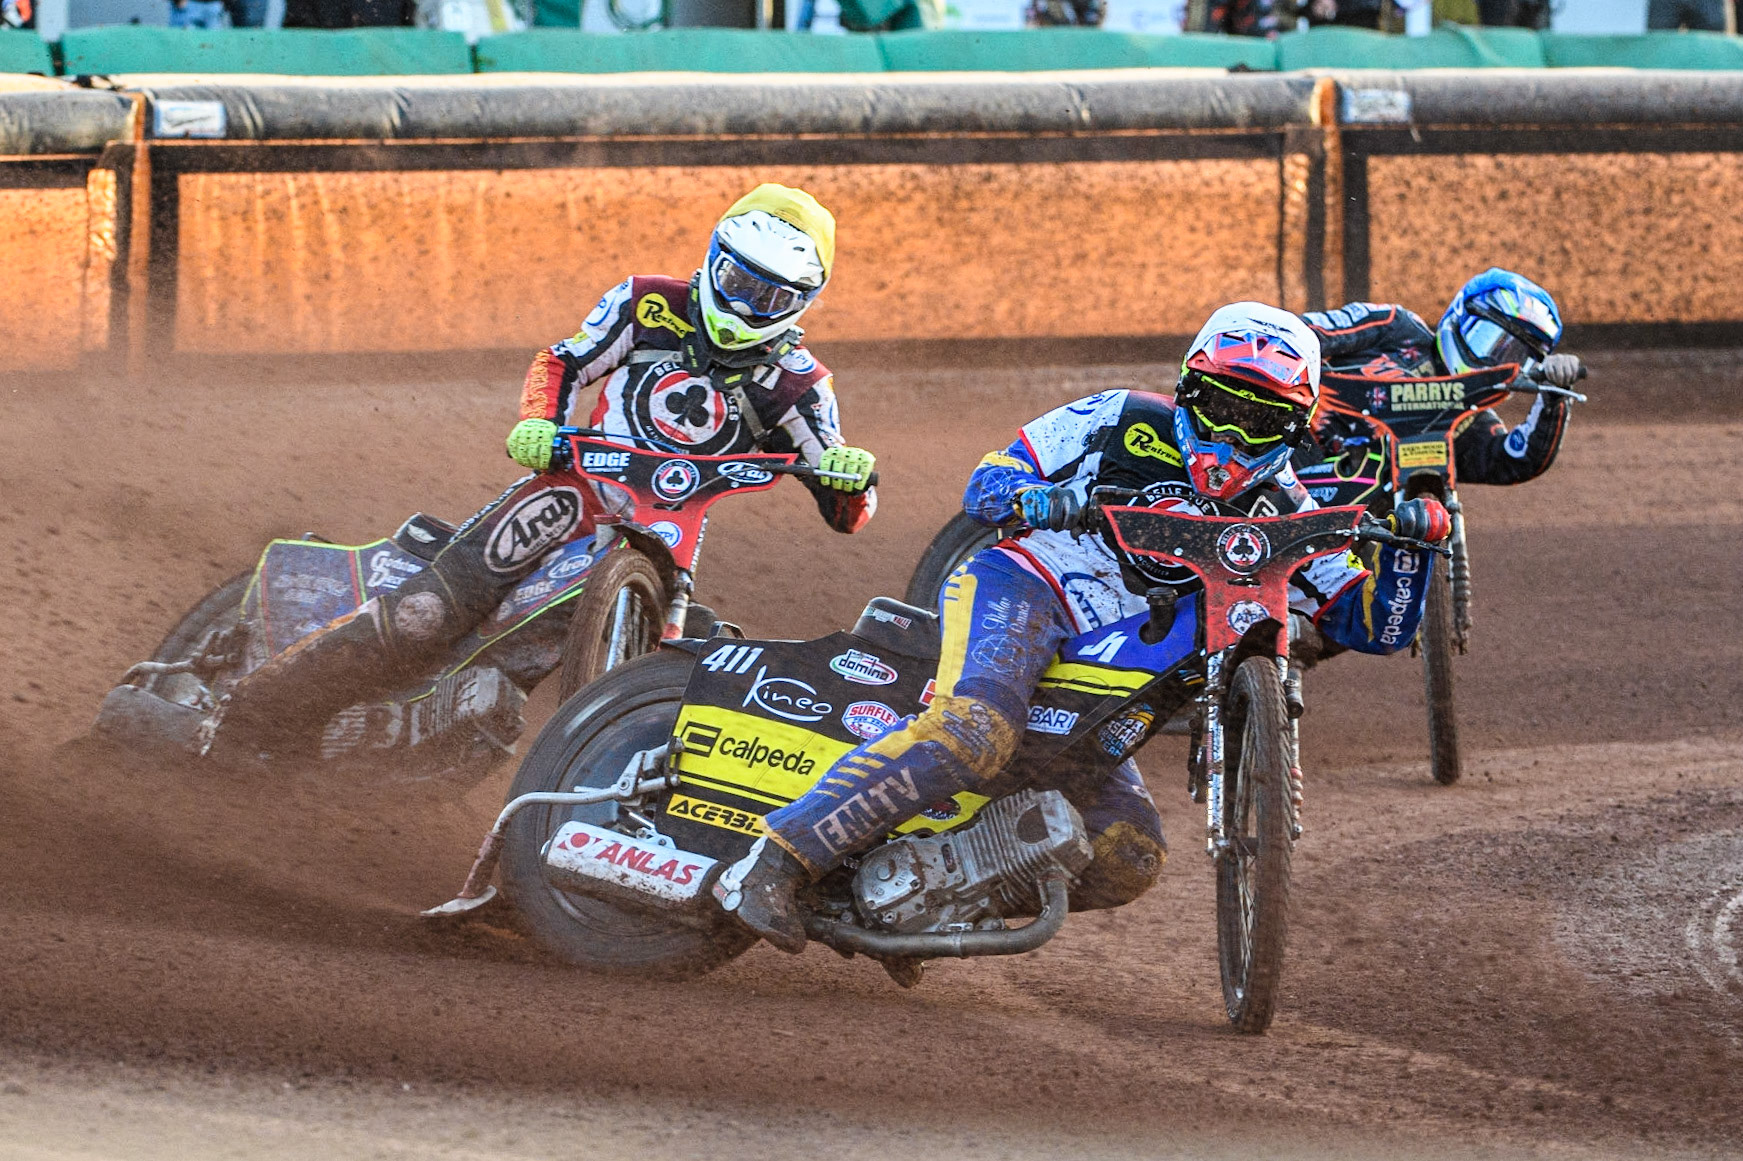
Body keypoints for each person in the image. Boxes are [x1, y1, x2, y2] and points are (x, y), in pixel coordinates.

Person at [716, 303, 1451, 954]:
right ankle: (774, 861)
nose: (1230, 433)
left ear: (1293, 428)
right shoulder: (1120, 417)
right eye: (1219, 406)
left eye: (1257, 419)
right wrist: (1046, 499)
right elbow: (988, 482)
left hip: (1118, 670)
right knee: (974, 730)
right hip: (1030, 588)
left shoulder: (1290, 505)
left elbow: (1368, 623)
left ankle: (930, 901)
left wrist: (1416, 549)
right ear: (1186, 388)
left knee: (1127, 855)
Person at [204, 183, 877, 761]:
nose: (743, 303)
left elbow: (843, 497)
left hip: (667, 540)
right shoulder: (648, 304)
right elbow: (564, 361)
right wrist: (539, 421)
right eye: (735, 281)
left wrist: (850, 479)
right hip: (570, 491)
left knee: (690, 669)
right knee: (424, 611)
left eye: (766, 296)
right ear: (713, 260)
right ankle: (251, 717)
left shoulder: (800, 384)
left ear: (800, 301)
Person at [1298, 268, 1584, 500]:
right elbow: (1299, 334)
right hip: (1285, 453)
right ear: (1461, 316)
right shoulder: (1395, 327)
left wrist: (1554, 400)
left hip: (1354, 520)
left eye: (1513, 356)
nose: (1493, 361)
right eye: (1487, 340)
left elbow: (1516, 459)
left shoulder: (1468, 420)